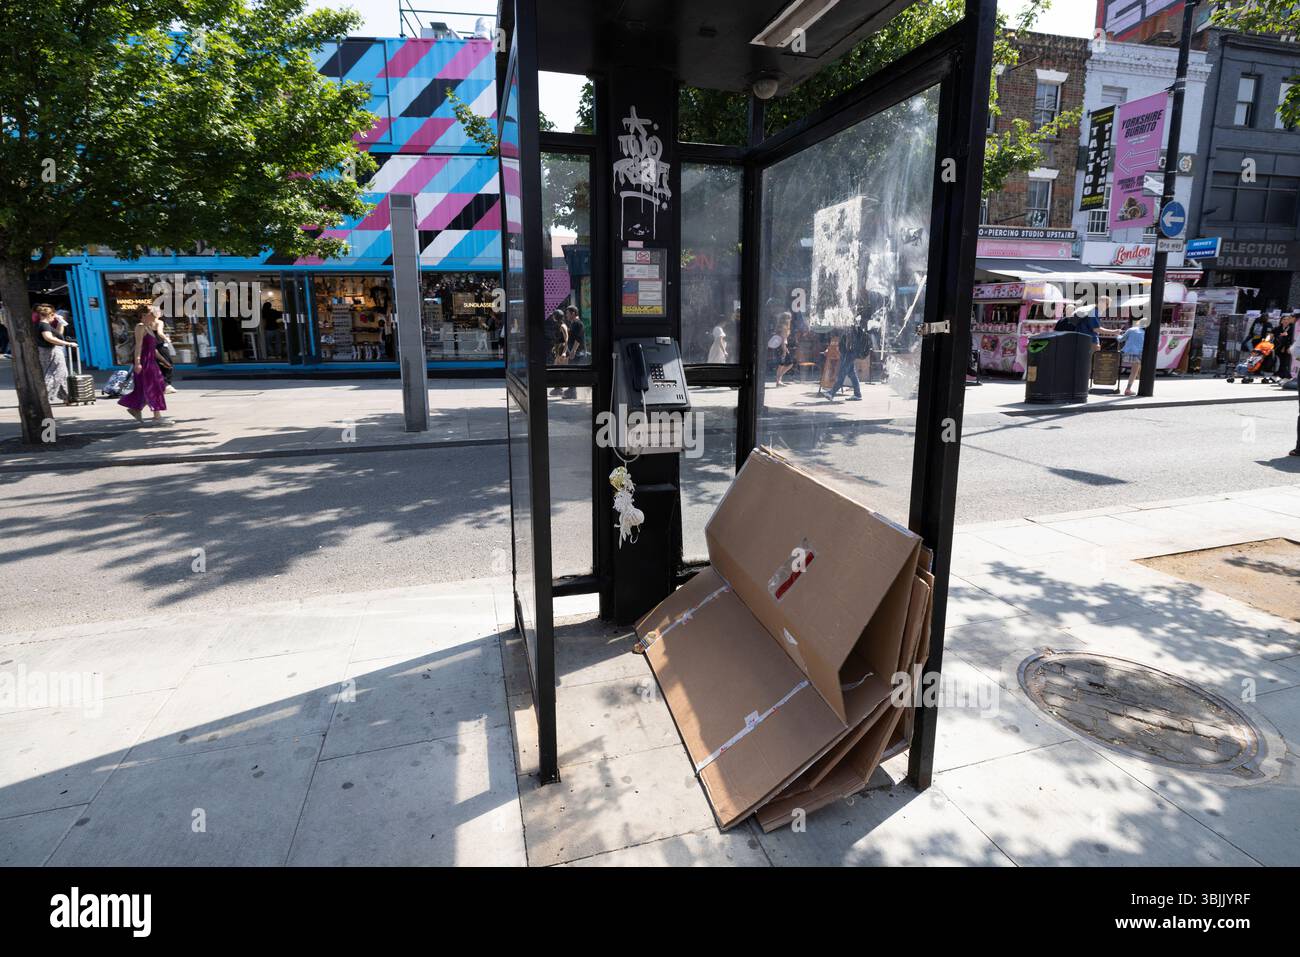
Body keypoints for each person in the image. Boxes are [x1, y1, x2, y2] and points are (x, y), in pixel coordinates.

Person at [118, 306, 168, 424]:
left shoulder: (149, 327)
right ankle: (157, 417)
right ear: (145, 315)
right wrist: (138, 362)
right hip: (145, 362)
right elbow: (138, 346)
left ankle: (135, 408)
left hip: (152, 362)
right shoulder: (140, 327)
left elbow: (153, 349)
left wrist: (163, 360)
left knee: (159, 386)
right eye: (153, 313)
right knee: (155, 387)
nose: (156, 315)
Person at [32, 303, 76, 402]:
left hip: (48, 351)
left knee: (58, 373)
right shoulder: (44, 325)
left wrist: (61, 322)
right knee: (57, 373)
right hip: (51, 351)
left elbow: (58, 334)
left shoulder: (43, 325)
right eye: (54, 315)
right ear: (50, 315)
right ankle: (44, 396)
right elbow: (49, 338)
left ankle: (66, 397)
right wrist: (67, 343)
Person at [824, 318, 867, 401]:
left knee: (842, 374)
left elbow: (849, 342)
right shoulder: (853, 327)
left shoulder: (850, 327)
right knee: (852, 374)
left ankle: (831, 393)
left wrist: (845, 351)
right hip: (850, 353)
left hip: (848, 354)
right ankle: (857, 394)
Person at [1117, 318, 1147, 396]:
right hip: (1140, 353)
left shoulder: (1131, 329)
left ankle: (1129, 389)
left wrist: (1117, 335)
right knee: (1135, 372)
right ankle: (1128, 389)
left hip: (1127, 352)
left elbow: (1120, 340)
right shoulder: (1147, 332)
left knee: (1135, 371)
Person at [768, 311, 795, 386]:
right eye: (789, 318)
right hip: (781, 347)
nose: (791, 319)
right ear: (786, 319)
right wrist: (784, 350)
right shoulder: (784, 327)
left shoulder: (780, 326)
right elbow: (783, 340)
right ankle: (778, 379)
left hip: (780, 347)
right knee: (787, 364)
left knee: (782, 364)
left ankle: (778, 380)